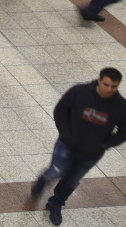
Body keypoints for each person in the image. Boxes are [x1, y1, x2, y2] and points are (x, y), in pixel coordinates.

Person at [30, 68, 126, 226]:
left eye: (114, 86)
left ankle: (55, 203)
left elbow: (124, 132)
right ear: (99, 80)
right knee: (56, 171)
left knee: (72, 180)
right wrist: (66, 134)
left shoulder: (121, 106)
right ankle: (42, 182)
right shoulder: (80, 91)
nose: (109, 89)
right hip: (66, 145)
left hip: (91, 153)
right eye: (106, 84)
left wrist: (105, 145)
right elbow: (60, 110)